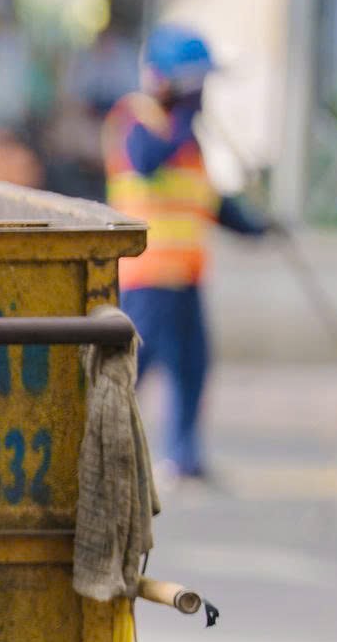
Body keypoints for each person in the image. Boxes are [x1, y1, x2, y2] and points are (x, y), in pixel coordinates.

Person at [103, 24, 274, 483]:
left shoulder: (191, 140)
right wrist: (181, 121)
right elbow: (145, 161)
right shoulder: (135, 120)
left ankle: (184, 456)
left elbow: (210, 202)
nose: (201, 96)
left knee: (192, 367)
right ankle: (98, 451)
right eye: (195, 85)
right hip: (146, 278)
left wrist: (258, 228)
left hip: (187, 278)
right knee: (134, 368)